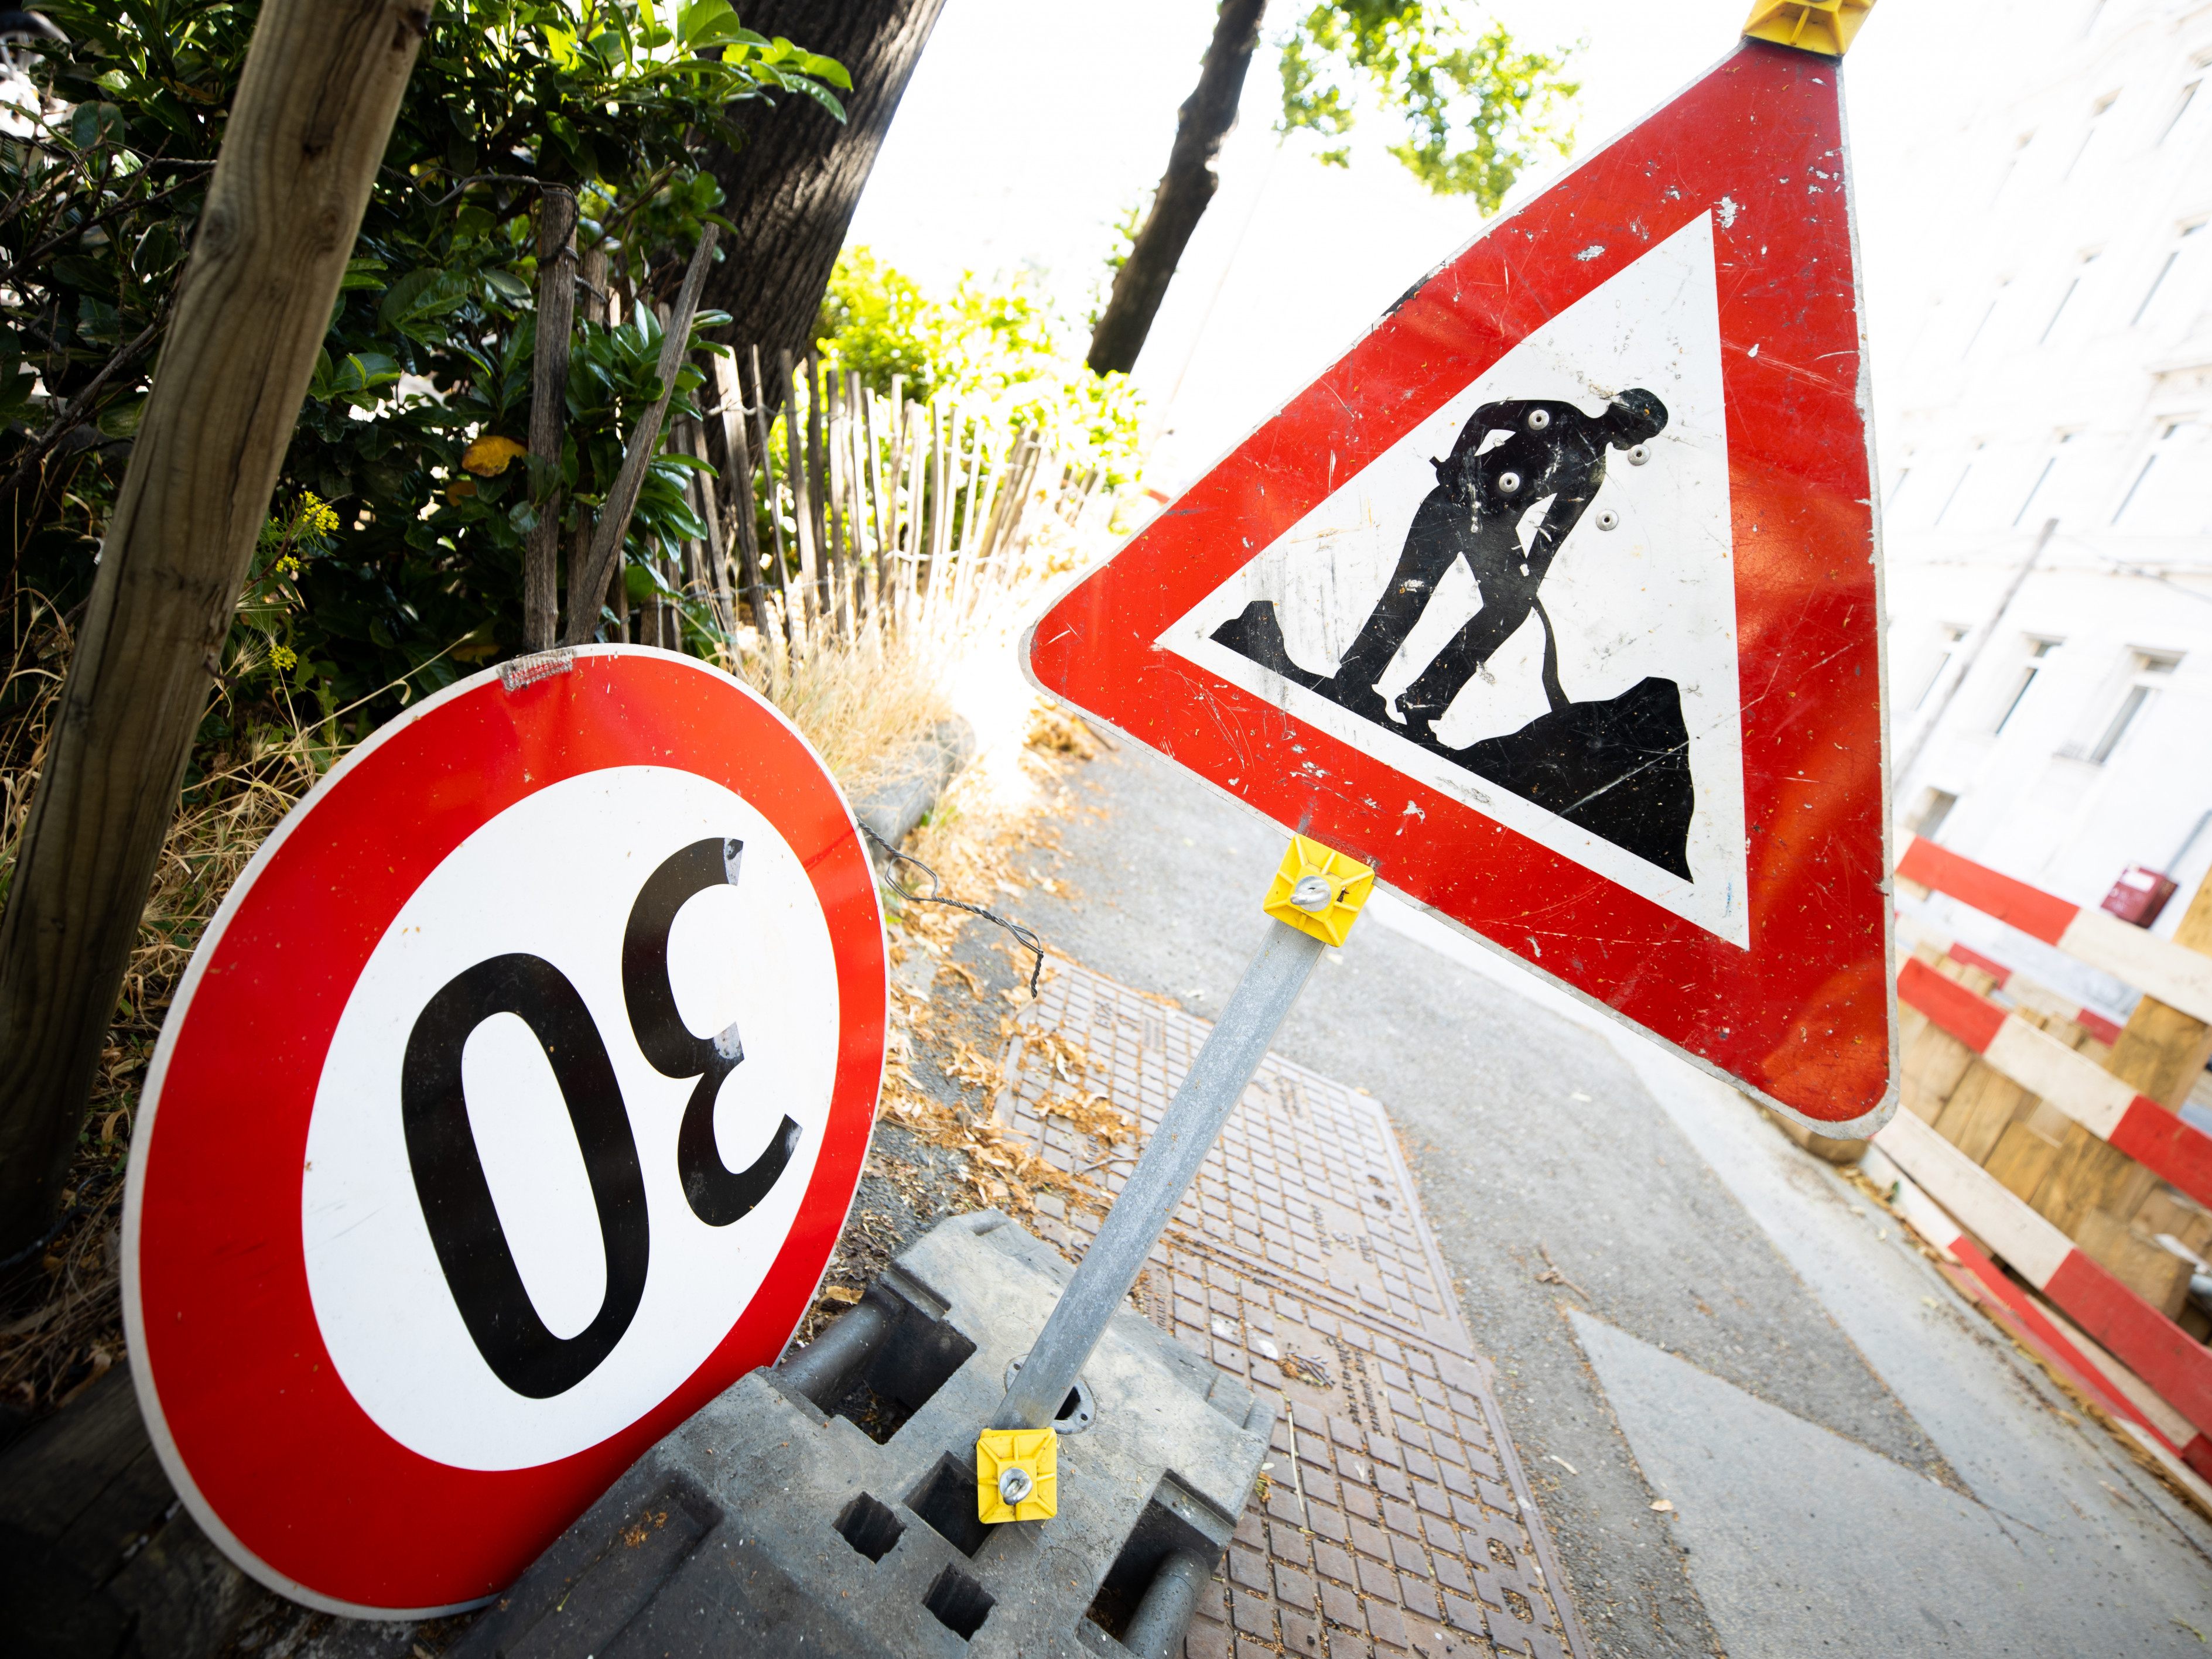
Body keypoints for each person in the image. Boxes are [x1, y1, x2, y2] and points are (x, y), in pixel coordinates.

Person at [1328, 387, 1667, 737]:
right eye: (1646, 431)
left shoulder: (1593, 471)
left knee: (1509, 607)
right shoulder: (1564, 415)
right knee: (1413, 589)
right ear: (1631, 421)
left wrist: (1529, 582)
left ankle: (1422, 702)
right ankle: (1353, 682)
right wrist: (1458, 463)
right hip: (1455, 500)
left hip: (1494, 528)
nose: (1643, 438)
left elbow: (1551, 534)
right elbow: (1487, 414)